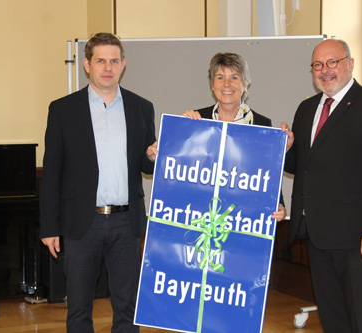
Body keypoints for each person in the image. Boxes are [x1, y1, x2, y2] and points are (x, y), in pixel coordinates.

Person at [281, 39, 362, 332]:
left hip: (360, 239)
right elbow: (302, 167)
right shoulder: (307, 108)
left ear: (350, 63)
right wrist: (286, 149)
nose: (325, 71)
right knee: (333, 317)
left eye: (332, 62)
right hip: (317, 235)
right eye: (318, 65)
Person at [40, 32, 158, 333]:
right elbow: (51, 172)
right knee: (78, 308)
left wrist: (152, 156)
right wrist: (49, 228)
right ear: (87, 64)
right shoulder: (63, 109)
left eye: (114, 61)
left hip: (126, 223)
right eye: (101, 61)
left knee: (127, 308)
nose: (108, 67)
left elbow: (145, 165)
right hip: (82, 224)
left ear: (123, 65)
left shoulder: (142, 108)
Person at [182, 52, 287, 220]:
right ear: (212, 84)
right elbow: (182, 169)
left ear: (245, 84)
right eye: (220, 77)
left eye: (235, 78)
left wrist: (279, 204)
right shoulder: (197, 120)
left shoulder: (261, 124)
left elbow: (269, 173)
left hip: (243, 218)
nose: (227, 84)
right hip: (201, 216)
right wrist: (181, 130)